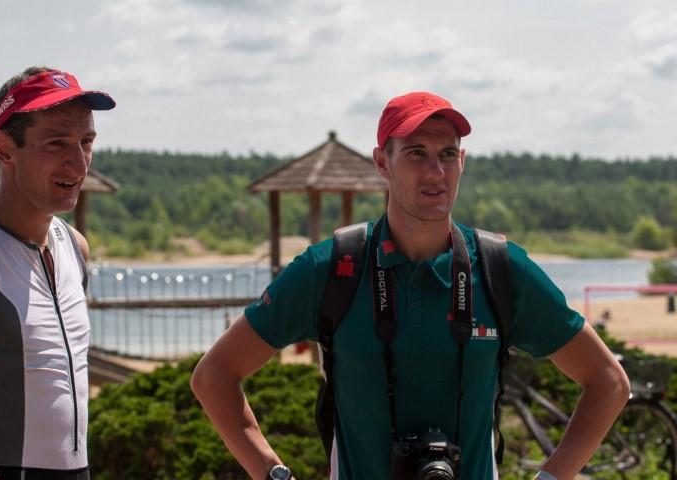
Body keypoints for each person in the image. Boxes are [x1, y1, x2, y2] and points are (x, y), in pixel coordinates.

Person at [191, 91, 630, 480]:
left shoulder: (500, 269)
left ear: (462, 162)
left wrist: (552, 476)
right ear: (382, 163)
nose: (436, 171)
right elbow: (214, 376)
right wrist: (274, 474)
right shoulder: (332, 268)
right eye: (417, 153)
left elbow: (608, 381)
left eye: (448, 154)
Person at [0, 66, 115, 480]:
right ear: (5, 148)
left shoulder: (75, 247)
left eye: (86, 142)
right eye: (56, 143)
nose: (78, 163)